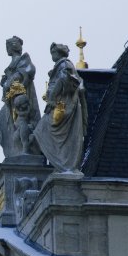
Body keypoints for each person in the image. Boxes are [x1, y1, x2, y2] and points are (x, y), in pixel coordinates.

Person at [32, 43, 88, 171]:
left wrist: (52, 97)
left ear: (58, 53)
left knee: (41, 130)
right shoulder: (63, 65)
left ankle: (62, 163)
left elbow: (63, 80)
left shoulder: (64, 65)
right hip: (63, 105)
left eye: (53, 53)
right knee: (42, 131)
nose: (52, 55)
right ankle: (60, 163)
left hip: (62, 106)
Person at [0, 36, 41, 157]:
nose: (7, 49)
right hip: (12, 99)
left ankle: (25, 147)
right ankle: (17, 148)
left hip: (21, 99)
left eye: (8, 46)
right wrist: (5, 82)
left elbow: (28, 71)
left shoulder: (23, 60)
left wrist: (10, 81)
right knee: (5, 123)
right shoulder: (14, 64)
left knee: (21, 122)